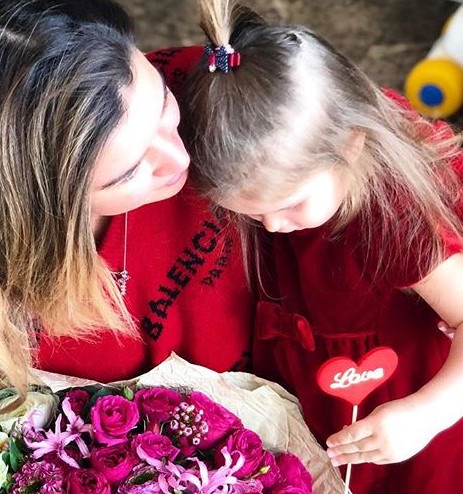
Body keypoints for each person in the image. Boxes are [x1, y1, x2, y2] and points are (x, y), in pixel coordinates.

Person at [0, 0, 254, 467]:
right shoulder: (5, 318)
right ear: (43, 209)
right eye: (129, 171)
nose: (182, 158)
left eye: (162, 105)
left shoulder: (211, 82)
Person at [173, 1, 463, 493]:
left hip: (408, 396)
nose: (272, 225)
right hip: (327, 369)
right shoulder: (301, 180)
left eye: (290, 205)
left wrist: (424, 415)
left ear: (350, 144)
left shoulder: (396, 217)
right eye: (251, 213)